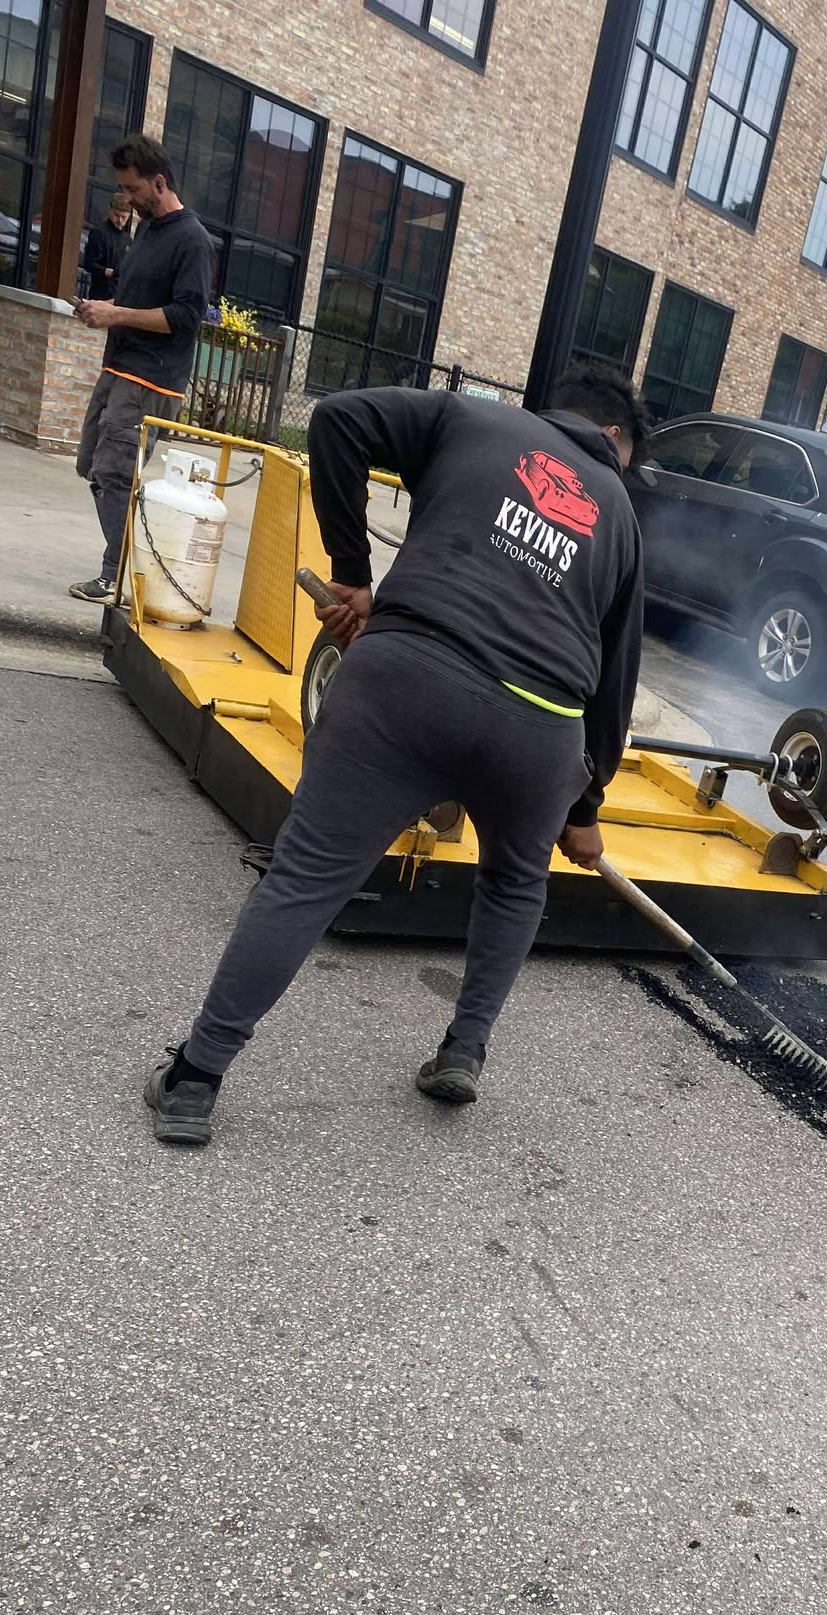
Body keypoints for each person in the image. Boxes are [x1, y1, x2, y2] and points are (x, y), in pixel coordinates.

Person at [142, 363, 648, 1147]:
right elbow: (614, 684)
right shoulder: (617, 509)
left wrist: (354, 574)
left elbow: (338, 419)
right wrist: (584, 809)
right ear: (614, 438)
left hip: (408, 678)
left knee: (306, 880)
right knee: (515, 884)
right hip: (540, 728)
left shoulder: (471, 419)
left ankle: (196, 1079)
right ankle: (463, 1050)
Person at [68, 135, 214, 605]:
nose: (126, 199)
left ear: (158, 182)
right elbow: (137, 301)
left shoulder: (193, 240)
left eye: (132, 190)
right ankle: (127, 564)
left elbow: (188, 318)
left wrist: (118, 315)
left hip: (152, 380)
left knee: (115, 472)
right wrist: (104, 307)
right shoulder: (148, 229)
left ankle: (120, 575)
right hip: (120, 368)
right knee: (92, 465)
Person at [80, 188, 136, 302]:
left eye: (124, 217)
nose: (119, 220)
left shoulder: (128, 240)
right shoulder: (99, 233)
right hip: (100, 294)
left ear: (129, 216)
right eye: (117, 215)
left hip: (119, 296)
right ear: (110, 210)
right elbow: (88, 263)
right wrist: (108, 272)